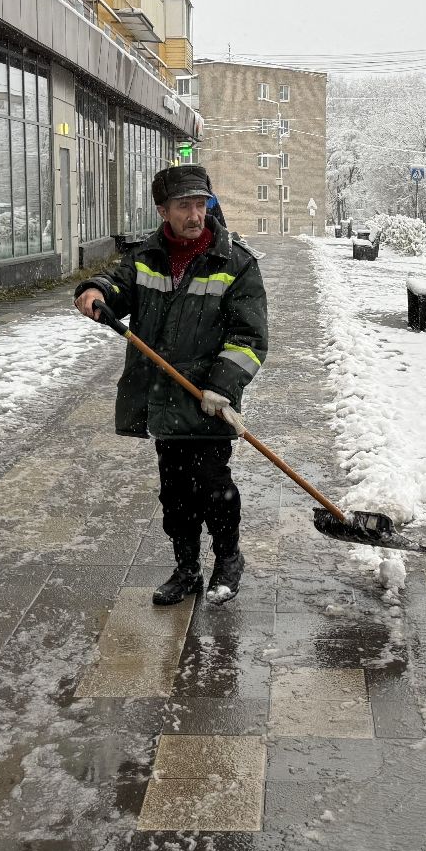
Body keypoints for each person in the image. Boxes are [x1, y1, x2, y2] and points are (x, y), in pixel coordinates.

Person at [74, 164, 269, 606]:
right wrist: (95, 289)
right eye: (184, 206)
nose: (195, 214)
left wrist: (222, 384)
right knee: (176, 494)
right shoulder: (148, 257)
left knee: (214, 486)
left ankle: (228, 559)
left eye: (201, 204)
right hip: (164, 397)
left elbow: (250, 337)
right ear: (163, 210)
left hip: (207, 400)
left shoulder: (234, 263)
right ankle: (186, 569)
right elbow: (118, 285)